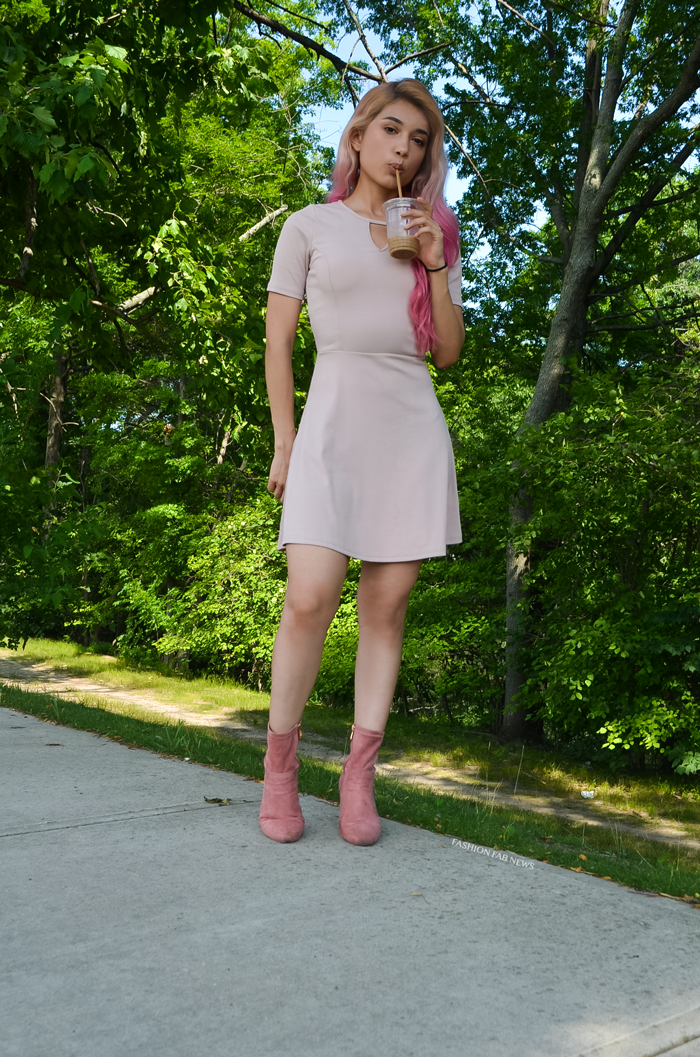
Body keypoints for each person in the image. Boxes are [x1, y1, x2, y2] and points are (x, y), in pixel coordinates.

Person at [260, 78, 464, 846]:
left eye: (419, 139)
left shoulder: (432, 233)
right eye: (391, 130)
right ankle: (280, 767)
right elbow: (279, 340)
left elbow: (448, 354)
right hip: (330, 424)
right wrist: (285, 441)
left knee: (386, 607)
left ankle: (358, 775)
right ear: (357, 136)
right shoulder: (308, 226)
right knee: (309, 595)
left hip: (411, 430)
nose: (403, 148)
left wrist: (435, 262)